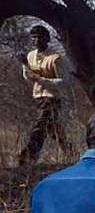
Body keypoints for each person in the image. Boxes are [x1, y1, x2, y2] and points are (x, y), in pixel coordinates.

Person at [21, 25, 73, 165]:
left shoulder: (55, 58)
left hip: (53, 97)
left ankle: (29, 157)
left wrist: (42, 80)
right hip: (38, 96)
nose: (36, 40)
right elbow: (28, 77)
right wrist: (25, 65)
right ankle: (69, 151)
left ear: (47, 38)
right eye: (34, 37)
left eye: (39, 37)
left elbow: (64, 82)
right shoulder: (30, 56)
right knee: (52, 129)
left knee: (40, 125)